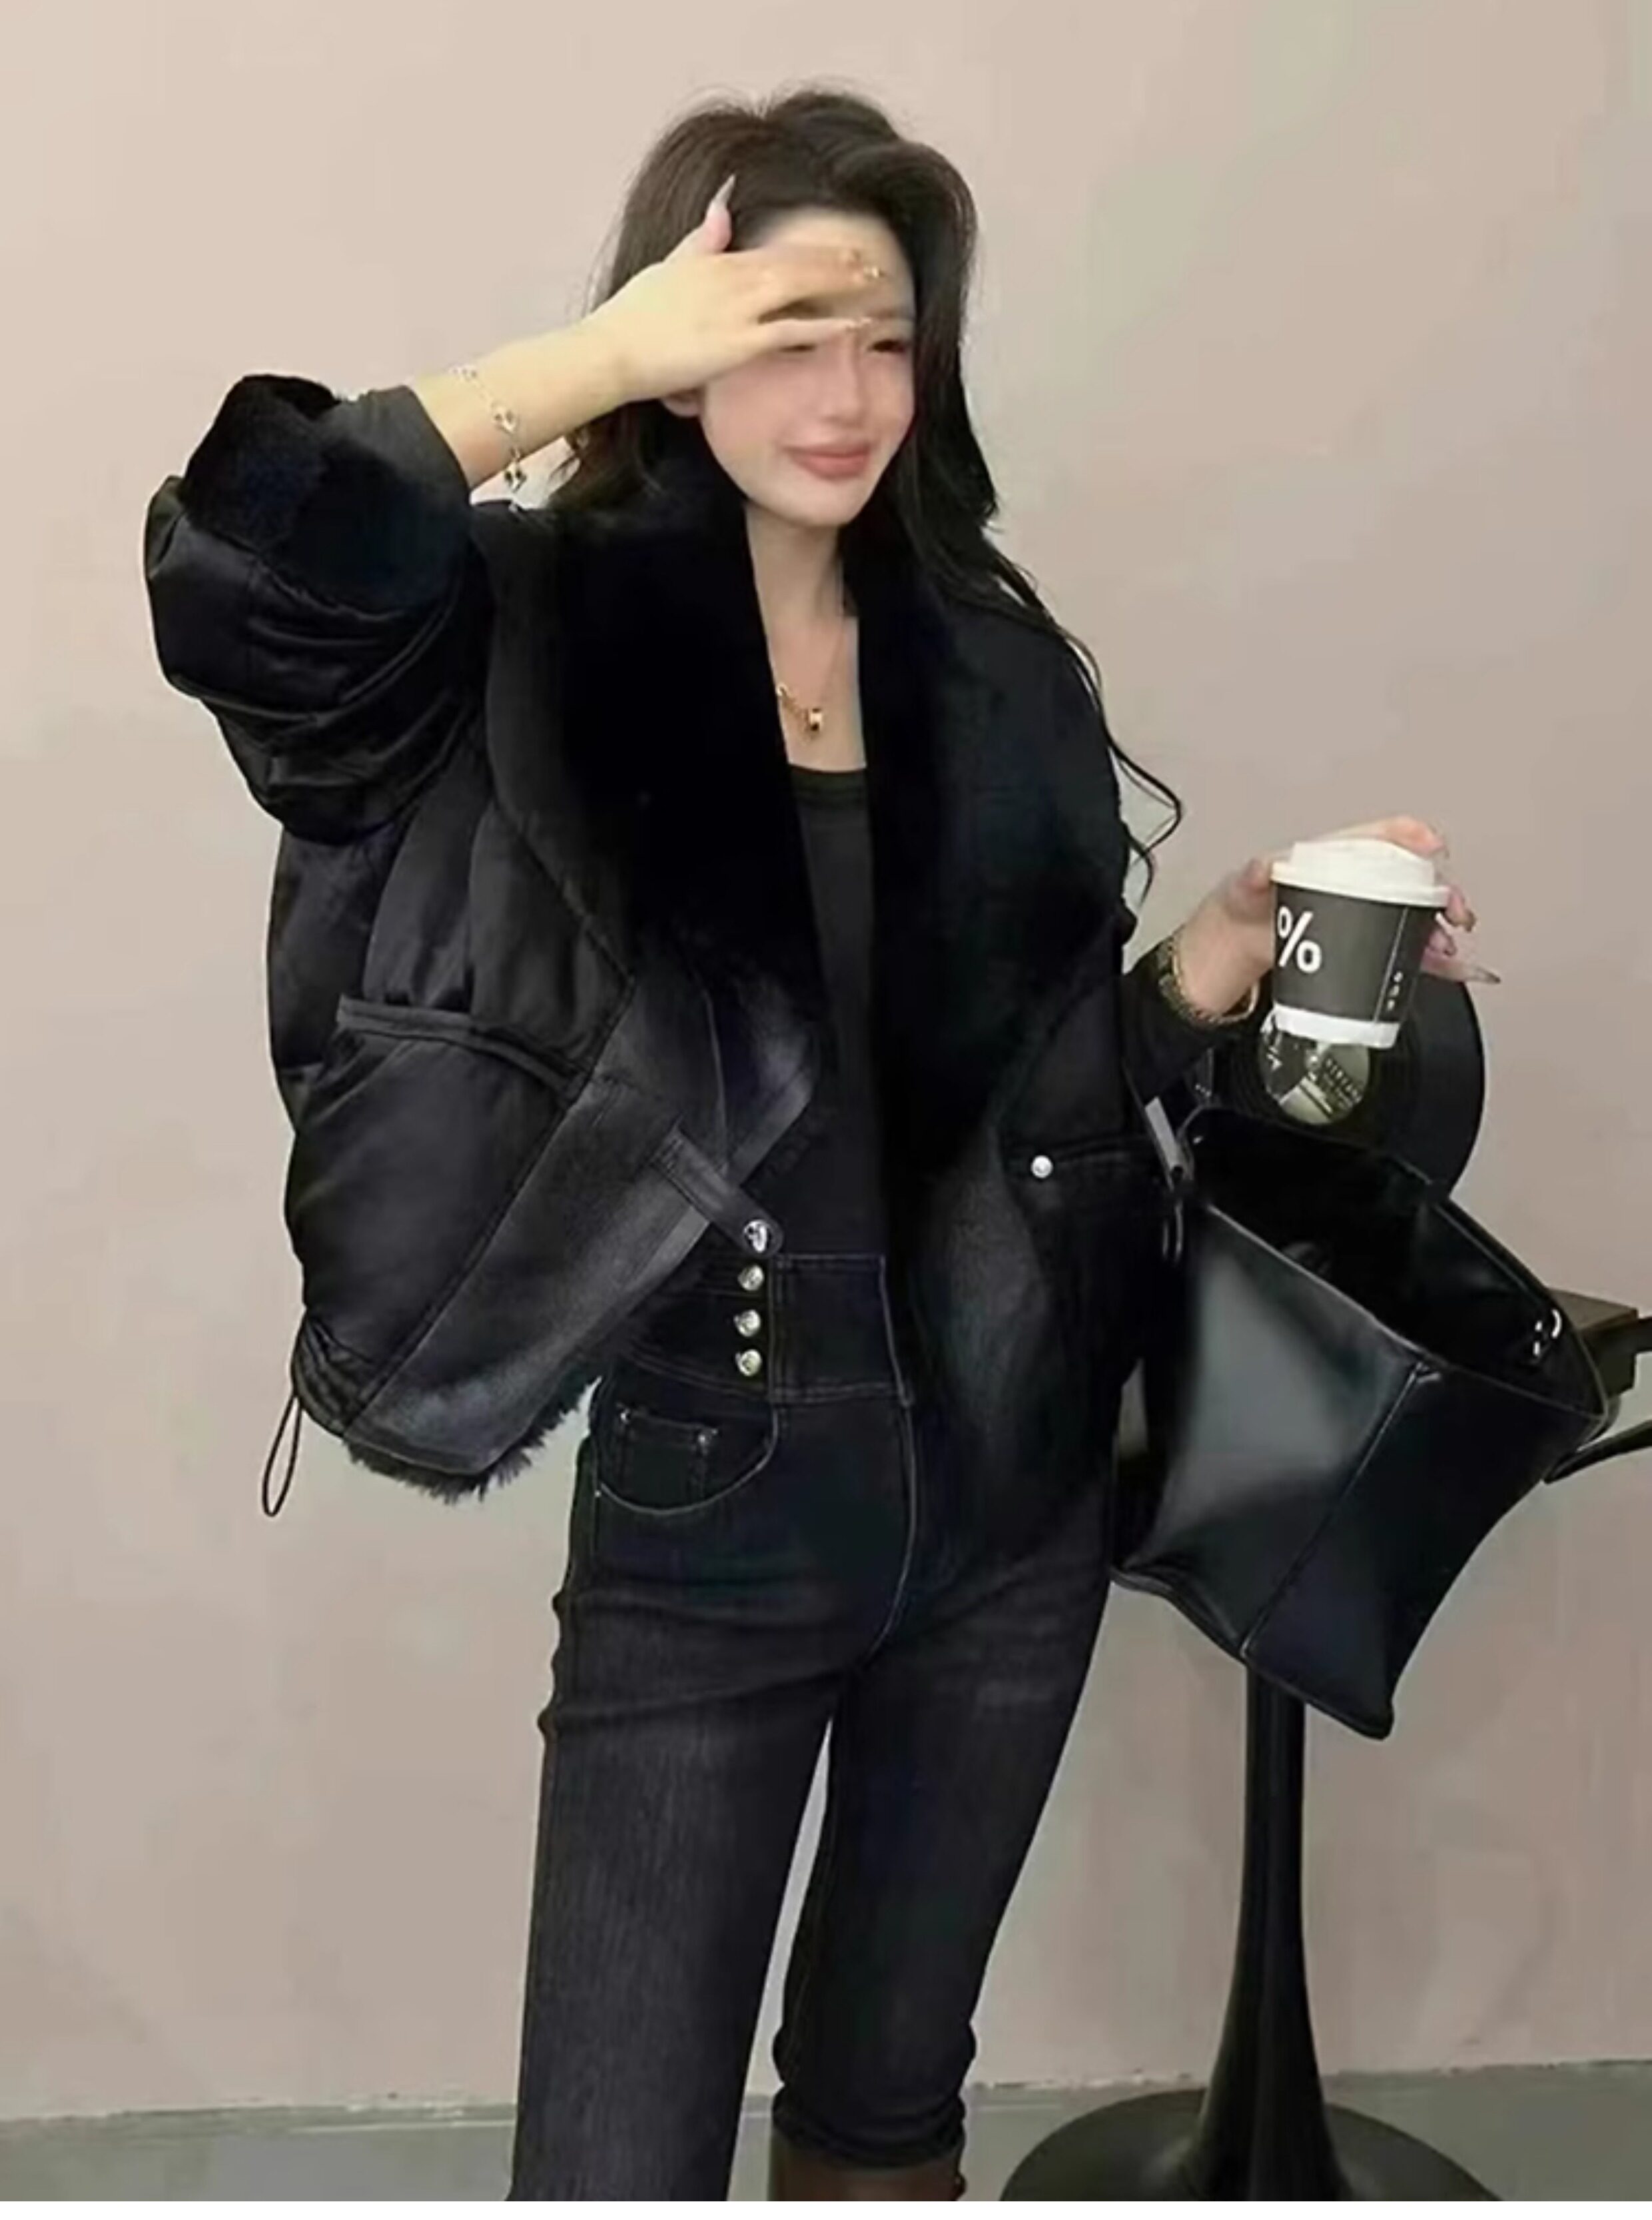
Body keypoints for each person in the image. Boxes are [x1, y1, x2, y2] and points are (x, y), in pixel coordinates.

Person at [142, 85, 1485, 2201]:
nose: (847, 396)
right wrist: (594, 358)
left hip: (1012, 1496)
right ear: (678, 350)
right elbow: (243, 568)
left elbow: (1035, 1112)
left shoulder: (988, 663)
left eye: (886, 340)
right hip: (717, 1497)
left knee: (885, 2112)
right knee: (617, 2163)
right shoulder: (524, 634)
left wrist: (1212, 965)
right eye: (782, 333)